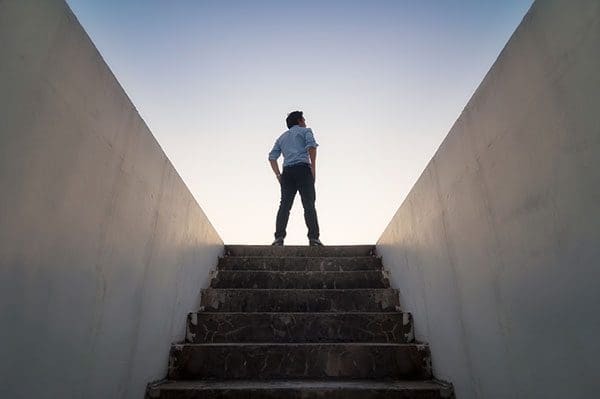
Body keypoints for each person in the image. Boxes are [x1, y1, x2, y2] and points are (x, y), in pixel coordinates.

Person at [268, 111, 323, 246]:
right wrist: (313, 168)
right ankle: (314, 238)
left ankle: (279, 238)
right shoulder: (306, 131)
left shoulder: (281, 138)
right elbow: (311, 147)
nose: (305, 122)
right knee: (309, 204)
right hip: (303, 169)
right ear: (299, 121)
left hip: (287, 173)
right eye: (304, 120)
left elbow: (272, 157)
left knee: (284, 206)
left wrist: (278, 175)